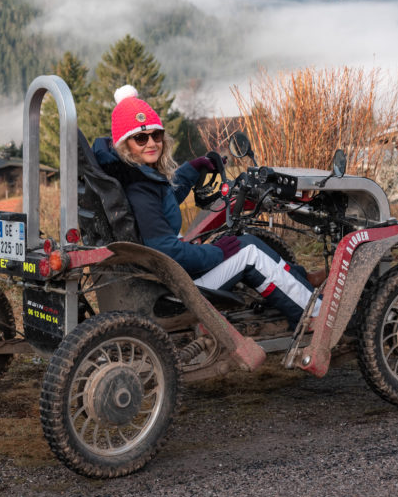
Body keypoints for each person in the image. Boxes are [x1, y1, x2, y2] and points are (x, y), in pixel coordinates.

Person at [92, 85, 323, 329]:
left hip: (166, 277)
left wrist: (192, 170)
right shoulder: (139, 188)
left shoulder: (135, 176)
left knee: (244, 241)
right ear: (124, 144)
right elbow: (166, 250)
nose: (151, 143)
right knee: (249, 252)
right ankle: (315, 315)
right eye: (140, 138)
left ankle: (300, 281)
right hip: (175, 290)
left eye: (156, 135)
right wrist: (218, 253)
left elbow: (162, 203)